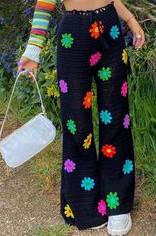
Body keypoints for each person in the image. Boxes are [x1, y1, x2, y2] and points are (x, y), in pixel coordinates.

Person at [18, 0, 145, 235]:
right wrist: (33, 50)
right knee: (76, 123)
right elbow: (45, 2)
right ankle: (86, 206)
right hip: (73, 36)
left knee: (116, 118)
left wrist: (130, 19)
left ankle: (117, 204)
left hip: (110, 28)